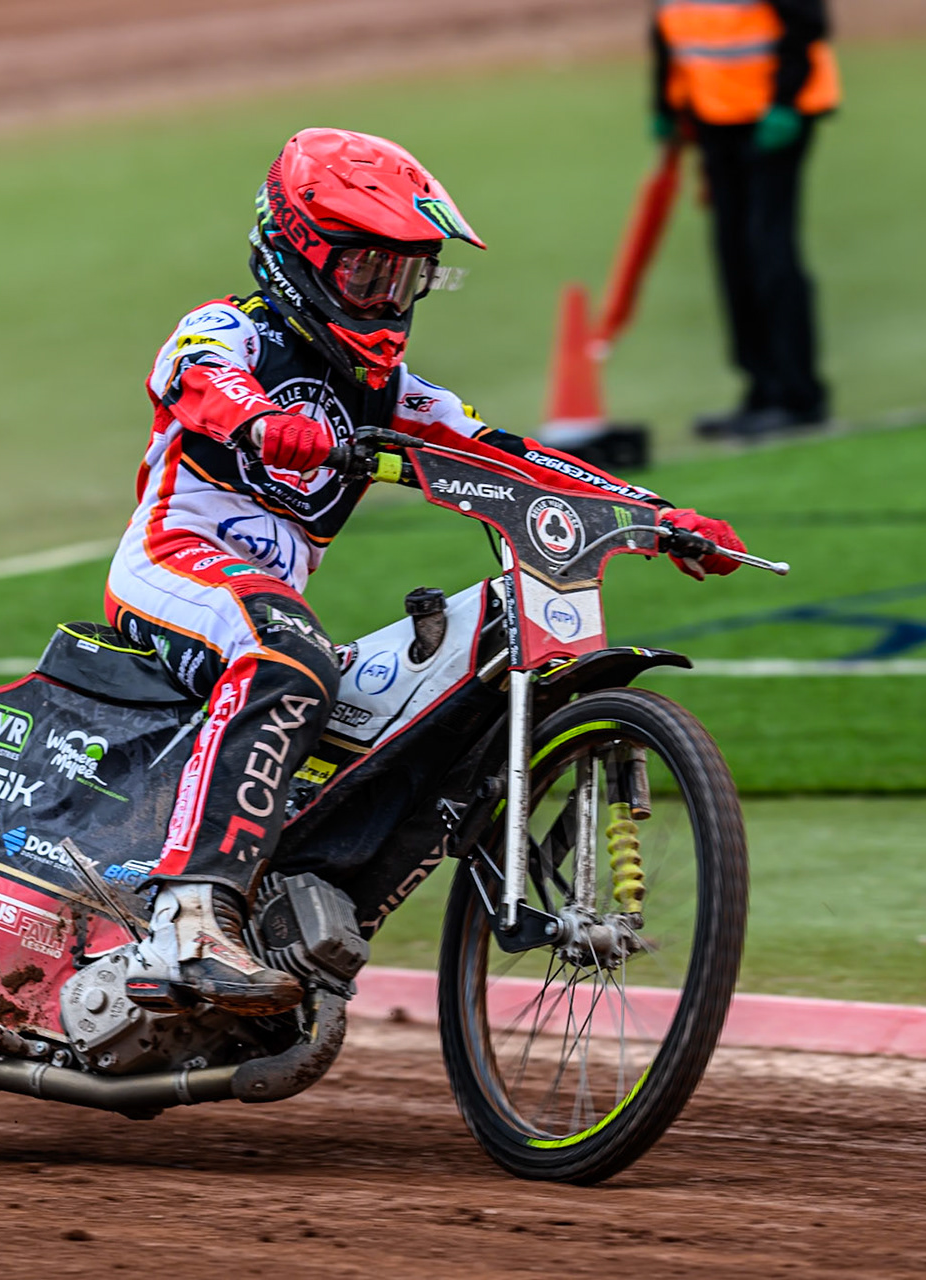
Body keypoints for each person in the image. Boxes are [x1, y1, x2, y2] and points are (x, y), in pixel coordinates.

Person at [107, 127, 748, 1014]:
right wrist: (260, 422)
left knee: (397, 681)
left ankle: (294, 895)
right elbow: (198, 379)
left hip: (271, 601)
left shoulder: (394, 389)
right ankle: (189, 924)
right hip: (173, 564)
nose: (390, 297)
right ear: (298, 254)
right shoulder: (228, 330)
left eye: (408, 276)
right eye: (368, 271)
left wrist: (655, 515)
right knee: (288, 659)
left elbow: (508, 454)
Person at [651, 0, 840, 439]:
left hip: (774, 115)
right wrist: (665, 104)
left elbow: (806, 24)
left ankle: (799, 396)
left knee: (768, 251)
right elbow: (668, 29)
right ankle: (761, 388)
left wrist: (785, 103)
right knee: (732, 253)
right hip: (712, 114)